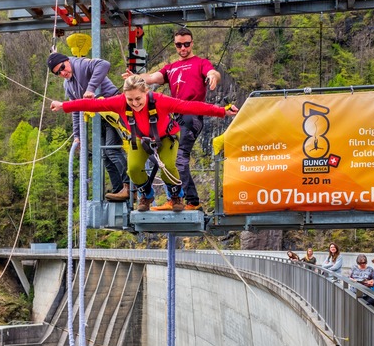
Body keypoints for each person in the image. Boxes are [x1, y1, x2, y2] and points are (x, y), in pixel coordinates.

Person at [50, 75, 237, 212]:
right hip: (140, 139)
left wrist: (222, 111)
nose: (134, 103)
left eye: (138, 99)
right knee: (133, 168)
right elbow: (92, 105)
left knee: (169, 165)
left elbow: (190, 106)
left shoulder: (160, 101)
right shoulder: (120, 103)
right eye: (130, 100)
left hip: (167, 137)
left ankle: (175, 196)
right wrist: (63, 106)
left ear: (146, 92)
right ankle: (146, 195)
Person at [122, 27, 222, 211]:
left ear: (192, 43)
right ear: (175, 45)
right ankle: (178, 197)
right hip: (175, 117)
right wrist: (136, 78)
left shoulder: (200, 62)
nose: (183, 48)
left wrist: (212, 76)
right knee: (158, 156)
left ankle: (189, 200)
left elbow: (212, 72)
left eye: (186, 44)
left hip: (191, 114)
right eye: (179, 45)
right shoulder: (171, 67)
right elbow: (151, 77)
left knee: (178, 158)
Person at [47, 52, 130, 201]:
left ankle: (129, 186)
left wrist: (91, 88)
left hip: (113, 109)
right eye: (58, 73)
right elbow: (75, 109)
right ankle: (119, 189)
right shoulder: (68, 85)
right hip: (100, 116)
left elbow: (104, 64)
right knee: (105, 155)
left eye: (63, 68)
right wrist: (77, 135)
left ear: (67, 61)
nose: (63, 73)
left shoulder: (81, 64)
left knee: (111, 150)